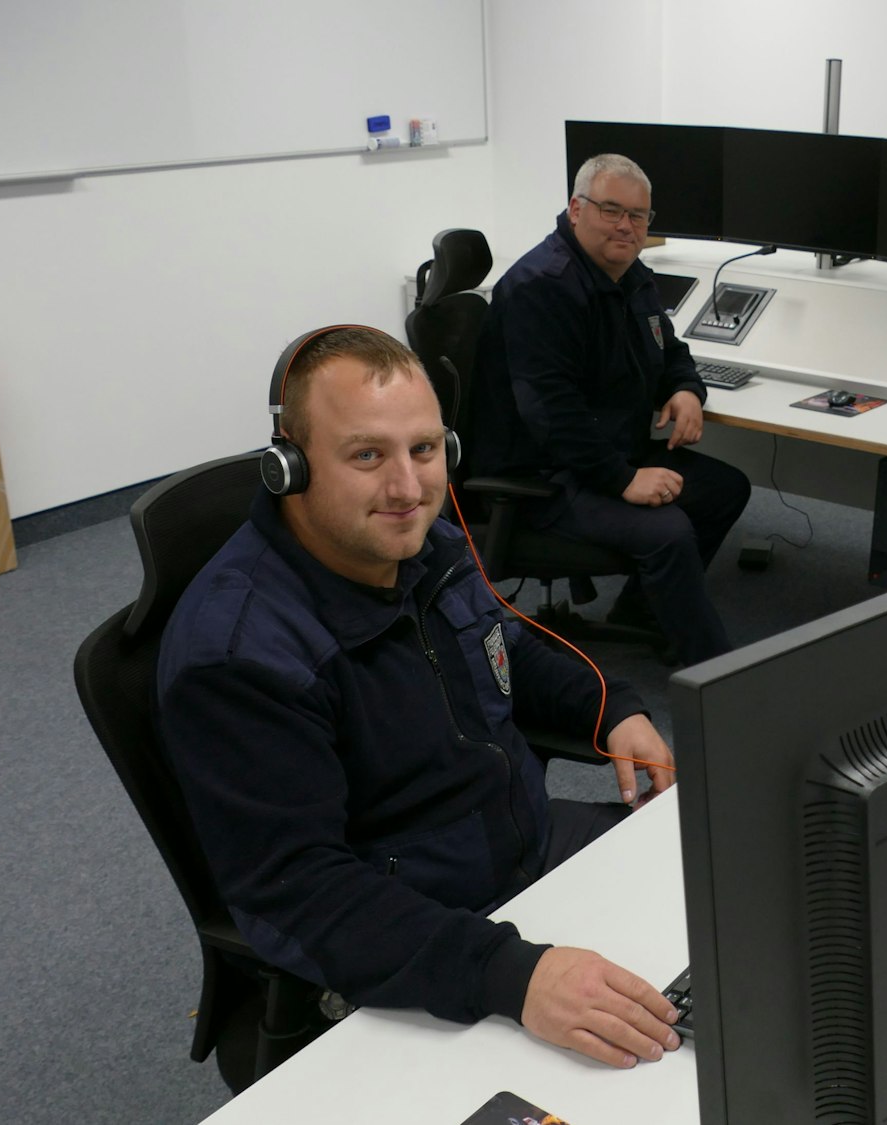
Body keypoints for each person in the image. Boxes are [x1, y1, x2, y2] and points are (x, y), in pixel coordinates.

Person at [157, 325, 683, 1074]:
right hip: (420, 929)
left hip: (522, 849)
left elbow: (506, 647)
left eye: (426, 449)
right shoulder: (242, 656)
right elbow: (303, 893)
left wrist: (613, 707)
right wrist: (515, 975)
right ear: (289, 465)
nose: (409, 489)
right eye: (367, 455)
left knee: (726, 888)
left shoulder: (424, 547)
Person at [471, 152, 752, 666]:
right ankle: (715, 676)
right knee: (668, 533)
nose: (626, 225)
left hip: (603, 454)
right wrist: (623, 479)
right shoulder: (542, 288)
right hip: (544, 477)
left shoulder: (629, 274)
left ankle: (642, 615)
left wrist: (686, 389)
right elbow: (551, 414)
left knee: (724, 488)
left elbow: (670, 350)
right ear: (576, 209)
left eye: (638, 215)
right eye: (611, 210)